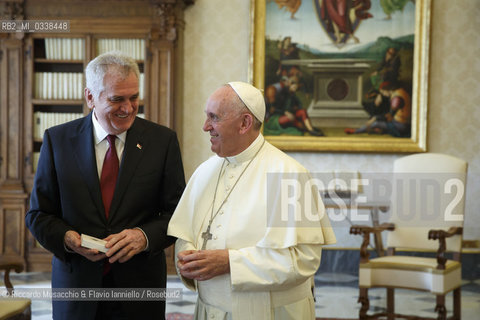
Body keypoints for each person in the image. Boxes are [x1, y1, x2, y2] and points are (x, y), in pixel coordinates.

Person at [25, 51, 185, 320]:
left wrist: (143, 237)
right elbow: (38, 215)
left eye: (134, 97)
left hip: (139, 290)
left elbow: (177, 214)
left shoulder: (162, 141)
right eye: (116, 99)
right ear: (90, 97)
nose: (128, 108)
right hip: (76, 288)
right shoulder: (58, 140)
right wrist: (67, 239)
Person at [167, 82, 336, 319]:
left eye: (214, 118)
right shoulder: (204, 171)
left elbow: (304, 259)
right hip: (209, 309)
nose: (205, 127)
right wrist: (189, 257)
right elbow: (185, 234)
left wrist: (229, 262)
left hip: (272, 312)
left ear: (245, 123)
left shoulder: (291, 174)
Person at [345, 81, 411, 137]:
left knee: (375, 124)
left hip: (400, 126)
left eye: (383, 92)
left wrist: (375, 118)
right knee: (377, 125)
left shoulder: (396, 98)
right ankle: (364, 129)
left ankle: (355, 131)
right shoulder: (400, 92)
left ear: (387, 90)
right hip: (401, 123)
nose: (384, 95)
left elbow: (390, 116)